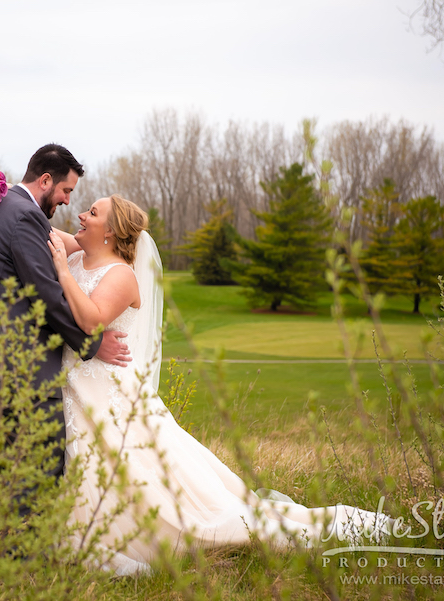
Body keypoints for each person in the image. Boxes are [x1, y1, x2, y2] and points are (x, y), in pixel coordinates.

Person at [47, 194, 390, 575]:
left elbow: (93, 320)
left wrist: (62, 272)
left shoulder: (121, 275)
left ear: (110, 232)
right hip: (77, 386)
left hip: (109, 393)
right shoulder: (79, 255)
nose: (80, 214)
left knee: (133, 469)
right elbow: (36, 225)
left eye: (92, 212)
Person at [0, 144, 131, 513]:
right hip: (10, 362)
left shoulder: (2, 207)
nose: (66, 202)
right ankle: (20, 554)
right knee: (35, 459)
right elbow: (46, 296)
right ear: (46, 180)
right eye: (66, 191)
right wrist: (92, 345)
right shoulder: (23, 216)